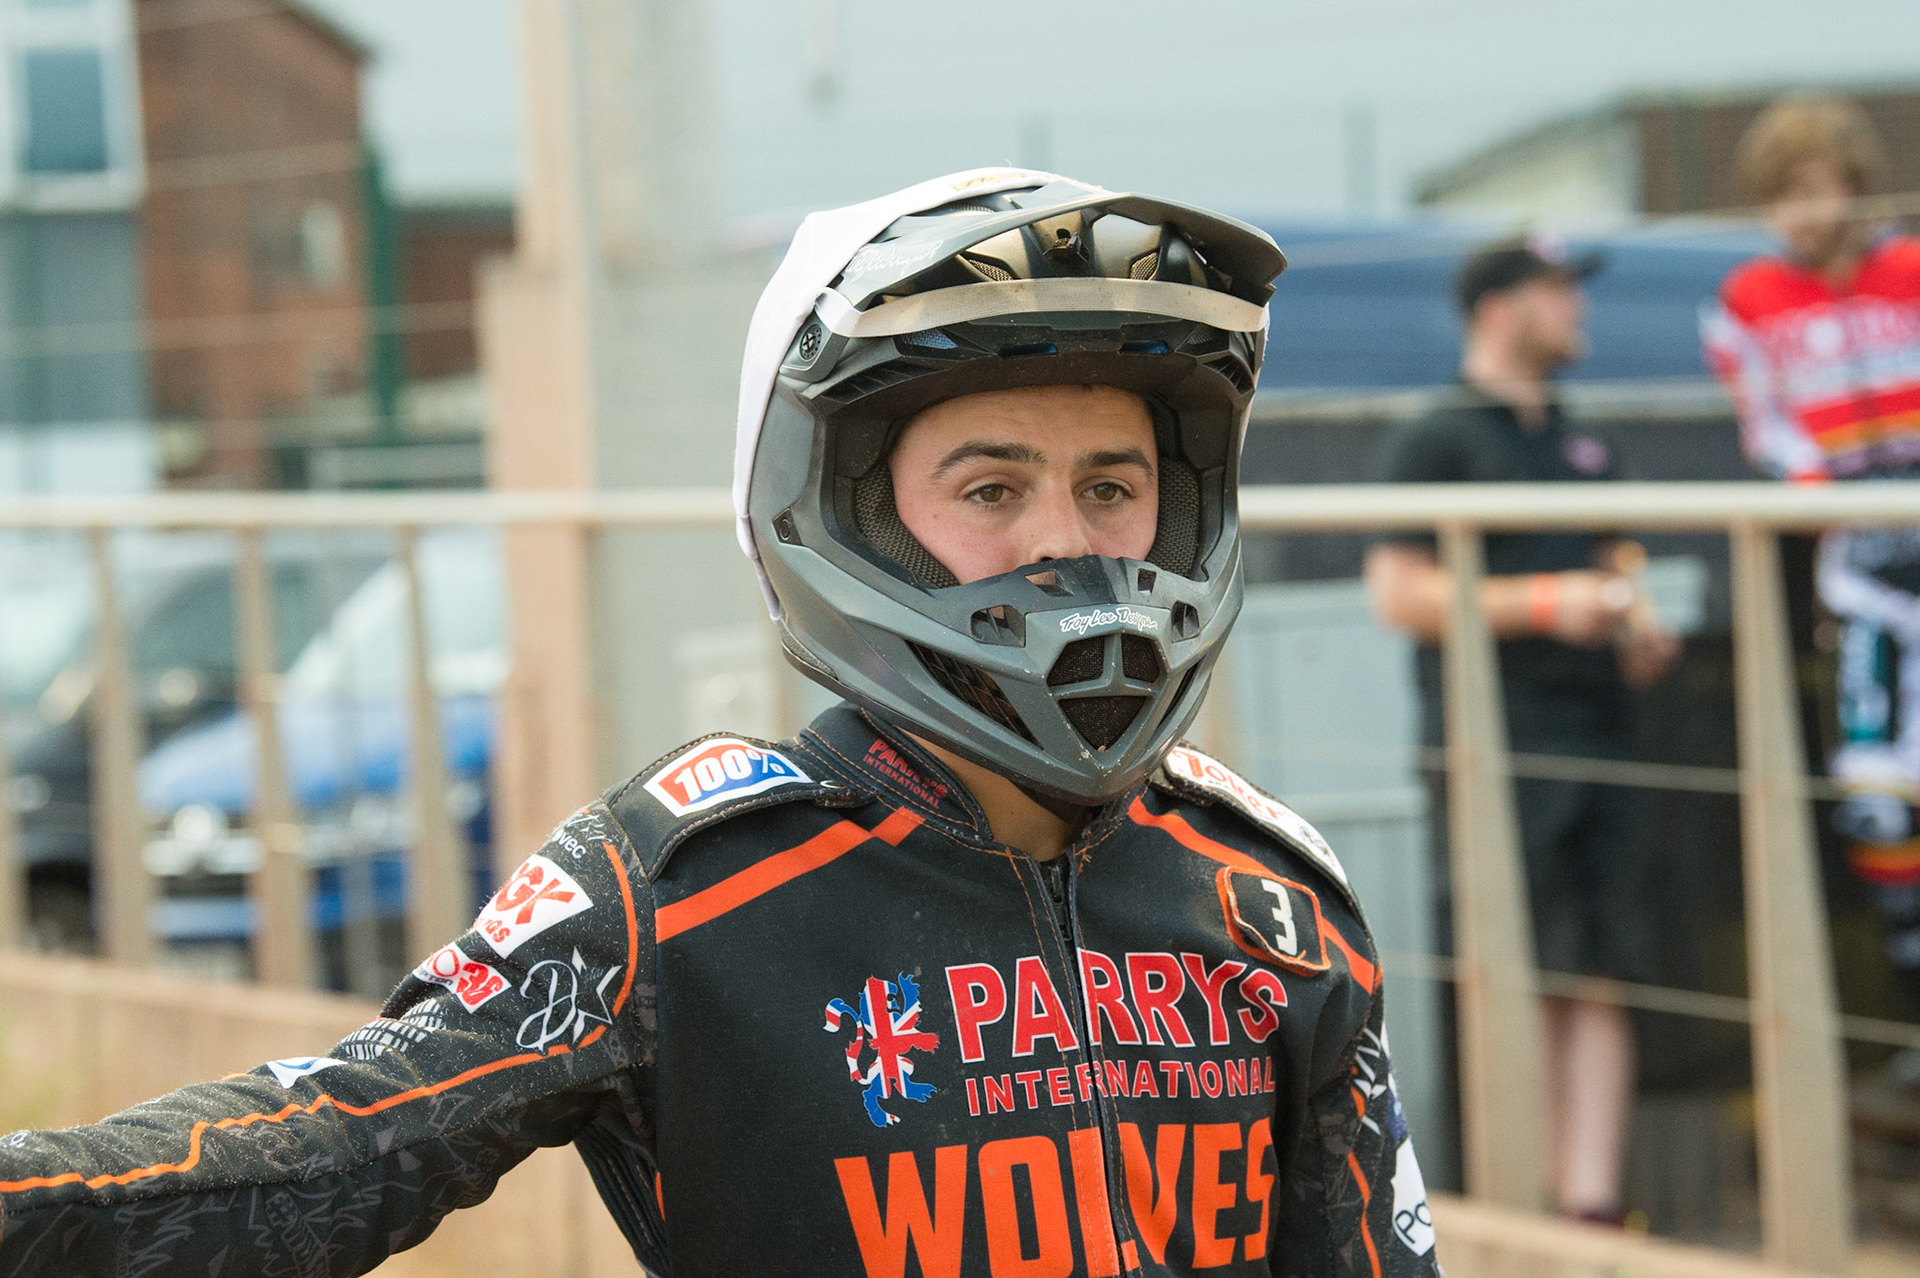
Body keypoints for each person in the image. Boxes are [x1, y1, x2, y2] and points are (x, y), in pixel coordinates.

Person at [0, 170, 1440, 1277]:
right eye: (992, 488)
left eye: (1114, 486)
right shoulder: (682, 886)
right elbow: (327, 1150)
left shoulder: (1269, 896)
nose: (1069, 544)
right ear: (841, 511)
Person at [1364, 235, 1679, 1223]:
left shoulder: (1580, 439)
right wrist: (1547, 602)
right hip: (1500, 747)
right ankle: (1531, 1215)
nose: (1578, 309)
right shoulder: (1437, 437)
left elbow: (1615, 548)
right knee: (1522, 967)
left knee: (1600, 970)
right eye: (1555, 291)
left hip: (1606, 735)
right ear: (1498, 309)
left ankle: (1592, 1209)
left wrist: (1633, 614)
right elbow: (1399, 592)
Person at [1701, 96, 1920, 1014]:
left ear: (1855, 188)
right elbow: (1770, 429)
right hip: (1857, 569)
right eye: (1782, 194)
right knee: (1874, 798)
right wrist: (1812, 484)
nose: (1803, 211)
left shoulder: (1911, 265)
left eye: (1817, 188)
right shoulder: (1742, 300)